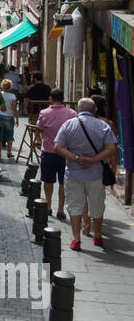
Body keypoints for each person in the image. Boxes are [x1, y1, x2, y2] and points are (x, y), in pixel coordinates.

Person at [54, 98, 118, 251]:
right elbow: (112, 148)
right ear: (94, 110)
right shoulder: (103, 125)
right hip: (96, 174)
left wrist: (75, 158)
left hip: (74, 174)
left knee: (75, 206)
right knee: (97, 205)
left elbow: (57, 146)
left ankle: (76, 239)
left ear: (78, 109)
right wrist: (93, 160)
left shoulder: (68, 124)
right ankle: (97, 236)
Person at [35, 89, 76, 221]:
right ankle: (60, 209)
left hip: (48, 151)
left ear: (51, 98)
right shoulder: (72, 113)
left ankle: (48, 206)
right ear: (63, 99)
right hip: (66, 152)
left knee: (48, 181)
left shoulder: (44, 112)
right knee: (63, 182)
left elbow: (39, 127)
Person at [81, 93, 117, 236]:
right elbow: (112, 149)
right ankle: (97, 231)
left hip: (82, 165)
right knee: (97, 198)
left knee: (83, 196)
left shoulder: (80, 122)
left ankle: (86, 223)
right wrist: (113, 167)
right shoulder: (108, 124)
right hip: (101, 166)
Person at [0, 78, 19, 162]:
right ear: (10, 87)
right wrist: (17, 118)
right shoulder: (12, 96)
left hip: (0, 116)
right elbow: (14, 108)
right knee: (10, 135)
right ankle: (9, 151)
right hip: (9, 117)